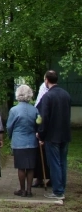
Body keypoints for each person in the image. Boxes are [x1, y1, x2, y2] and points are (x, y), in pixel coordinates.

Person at [37, 70, 71, 200]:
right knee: (63, 162)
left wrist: (41, 134)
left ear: (46, 80)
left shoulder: (47, 97)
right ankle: (61, 188)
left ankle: (57, 191)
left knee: (55, 163)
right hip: (65, 134)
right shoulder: (66, 94)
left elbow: (43, 117)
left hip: (52, 135)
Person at [7, 85, 39, 197]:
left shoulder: (14, 110)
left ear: (18, 95)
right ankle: (29, 190)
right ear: (30, 95)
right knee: (30, 167)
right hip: (32, 141)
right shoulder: (35, 110)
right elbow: (38, 125)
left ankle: (22, 190)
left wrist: (11, 137)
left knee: (21, 167)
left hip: (18, 141)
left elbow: (9, 126)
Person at [32, 82, 51, 188]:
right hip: (45, 132)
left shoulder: (43, 101)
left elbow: (41, 117)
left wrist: (40, 132)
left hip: (43, 133)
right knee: (42, 157)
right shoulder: (42, 101)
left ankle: (42, 178)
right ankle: (40, 178)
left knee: (44, 157)